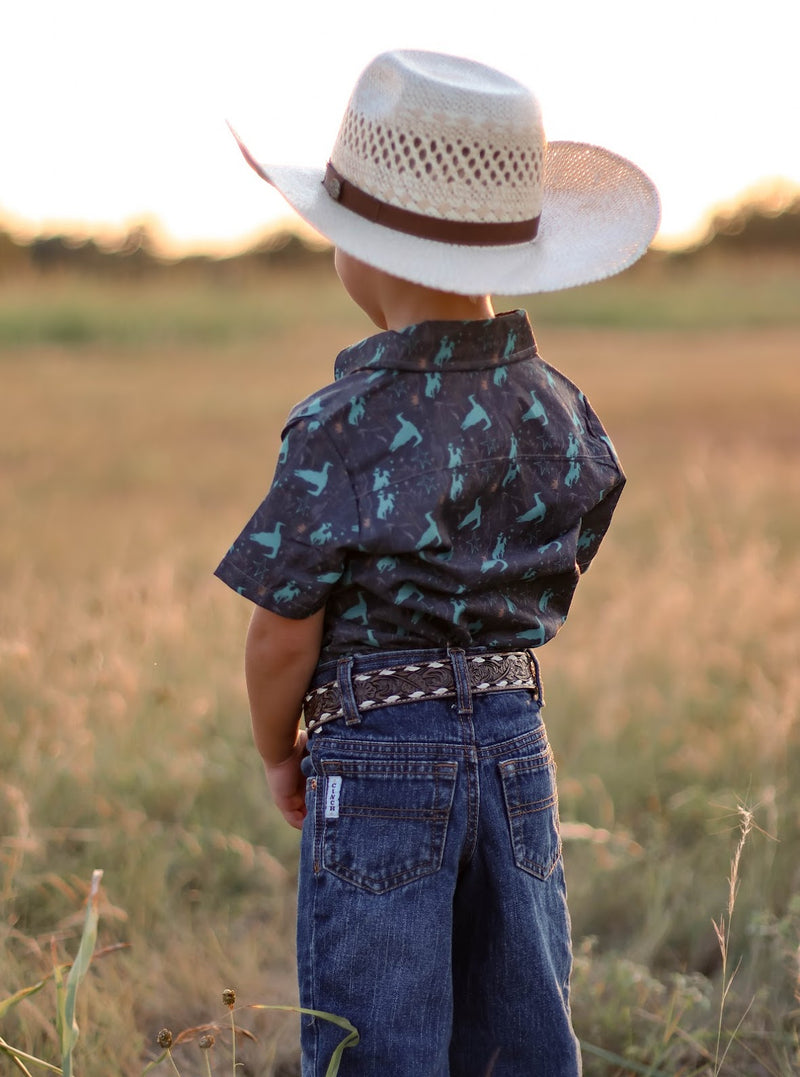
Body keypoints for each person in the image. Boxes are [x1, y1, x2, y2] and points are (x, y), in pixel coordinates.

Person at [215, 49, 660, 1077]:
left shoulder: (340, 422)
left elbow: (281, 625)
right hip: (516, 738)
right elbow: (585, 517)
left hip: (372, 745)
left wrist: (277, 748)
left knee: (380, 1030)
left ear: (362, 256)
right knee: (519, 1022)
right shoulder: (558, 405)